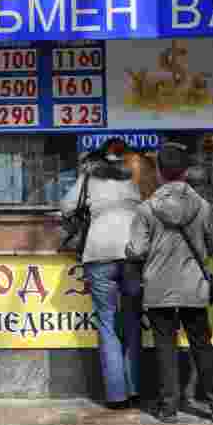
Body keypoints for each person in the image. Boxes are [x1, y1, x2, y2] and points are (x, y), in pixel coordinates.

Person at [126, 141, 213, 424]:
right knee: (202, 344)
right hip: (194, 285)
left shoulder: (146, 209)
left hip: (159, 286)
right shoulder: (204, 206)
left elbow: (136, 250)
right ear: (186, 172)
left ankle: (168, 407)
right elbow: (212, 244)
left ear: (159, 172)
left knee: (165, 346)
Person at [61, 138, 143, 409]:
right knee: (132, 322)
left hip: (99, 255)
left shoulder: (89, 177)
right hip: (132, 254)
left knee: (107, 324)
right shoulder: (135, 177)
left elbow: (66, 207)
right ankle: (134, 390)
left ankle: (116, 396)